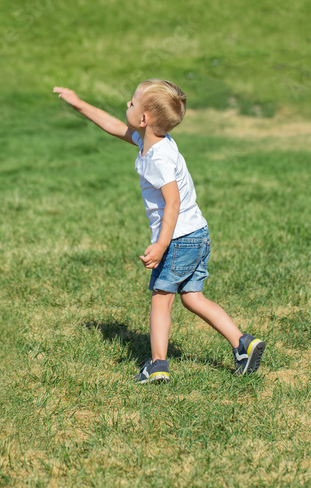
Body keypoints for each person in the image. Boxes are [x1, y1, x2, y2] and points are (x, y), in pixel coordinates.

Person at [52, 80, 264, 384]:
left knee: (160, 299)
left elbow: (172, 203)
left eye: (132, 102)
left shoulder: (158, 158)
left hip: (178, 239)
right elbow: (114, 126)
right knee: (192, 298)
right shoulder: (155, 141)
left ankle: (158, 365)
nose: (127, 104)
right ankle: (243, 343)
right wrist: (78, 103)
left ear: (143, 120)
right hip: (197, 233)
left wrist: (162, 244)